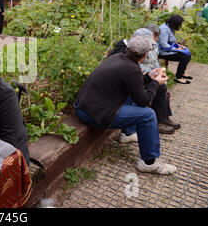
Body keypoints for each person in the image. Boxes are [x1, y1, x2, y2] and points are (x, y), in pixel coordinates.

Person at [74, 36, 177, 175]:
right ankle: (150, 163)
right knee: (148, 115)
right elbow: (143, 100)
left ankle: (128, 133)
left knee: (131, 94)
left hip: (85, 106)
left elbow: (134, 84)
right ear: (145, 55)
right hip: (91, 114)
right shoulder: (131, 69)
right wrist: (155, 83)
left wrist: (149, 77)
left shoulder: (117, 57)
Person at [134, 27, 179, 134]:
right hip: (140, 77)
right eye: (153, 36)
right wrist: (150, 75)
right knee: (160, 87)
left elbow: (155, 62)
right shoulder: (134, 47)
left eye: (155, 37)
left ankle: (164, 117)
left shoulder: (153, 46)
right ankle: (159, 121)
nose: (155, 39)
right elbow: (135, 66)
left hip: (148, 75)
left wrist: (159, 72)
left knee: (163, 86)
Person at [158, 15, 192, 84]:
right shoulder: (164, 29)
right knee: (184, 57)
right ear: (175, 23)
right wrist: (176, 49)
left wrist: (179, 46)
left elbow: (171, 41)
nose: (180, 26)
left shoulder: (170, 27)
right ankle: (179, 77)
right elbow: (164, 44)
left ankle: (181, 73)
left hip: (168, 49)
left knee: (187, 54)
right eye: (180, 24)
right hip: (162, 52)